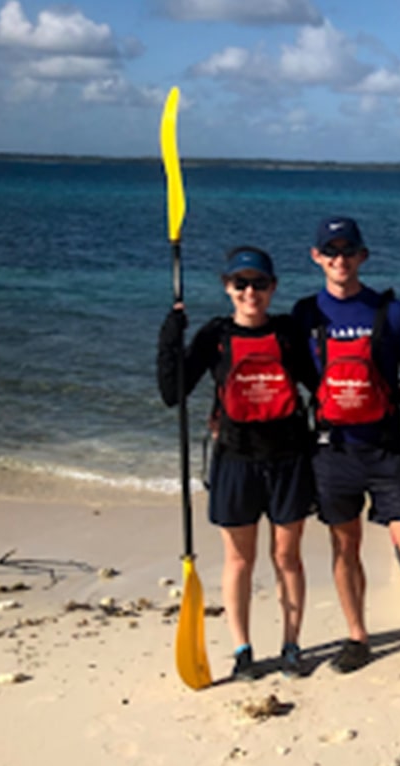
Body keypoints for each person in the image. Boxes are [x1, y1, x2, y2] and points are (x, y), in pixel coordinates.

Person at [291, 216, 400, 686]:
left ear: (363, 256)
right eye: (331, 251)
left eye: (348, 251)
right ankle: (357, 638)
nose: (340, 260)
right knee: (344, 547)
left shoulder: (393, 313)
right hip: (333, 453)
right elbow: (284, 378)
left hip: (389, 450)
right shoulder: (305, 314)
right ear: (316, 257)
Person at [157, 246, 317, 681]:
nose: (251, 292)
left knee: (287, 557)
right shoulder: (215, 336)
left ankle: (291, 646)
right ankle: (242, 649)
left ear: (274, 287)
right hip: (235, 460)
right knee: (239, 561)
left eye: (260, 283)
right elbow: (173, 392)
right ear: (227, 287)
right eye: (241, 283)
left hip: (288, 460)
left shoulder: (287, 334)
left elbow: (321, 384)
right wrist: (171, 335)